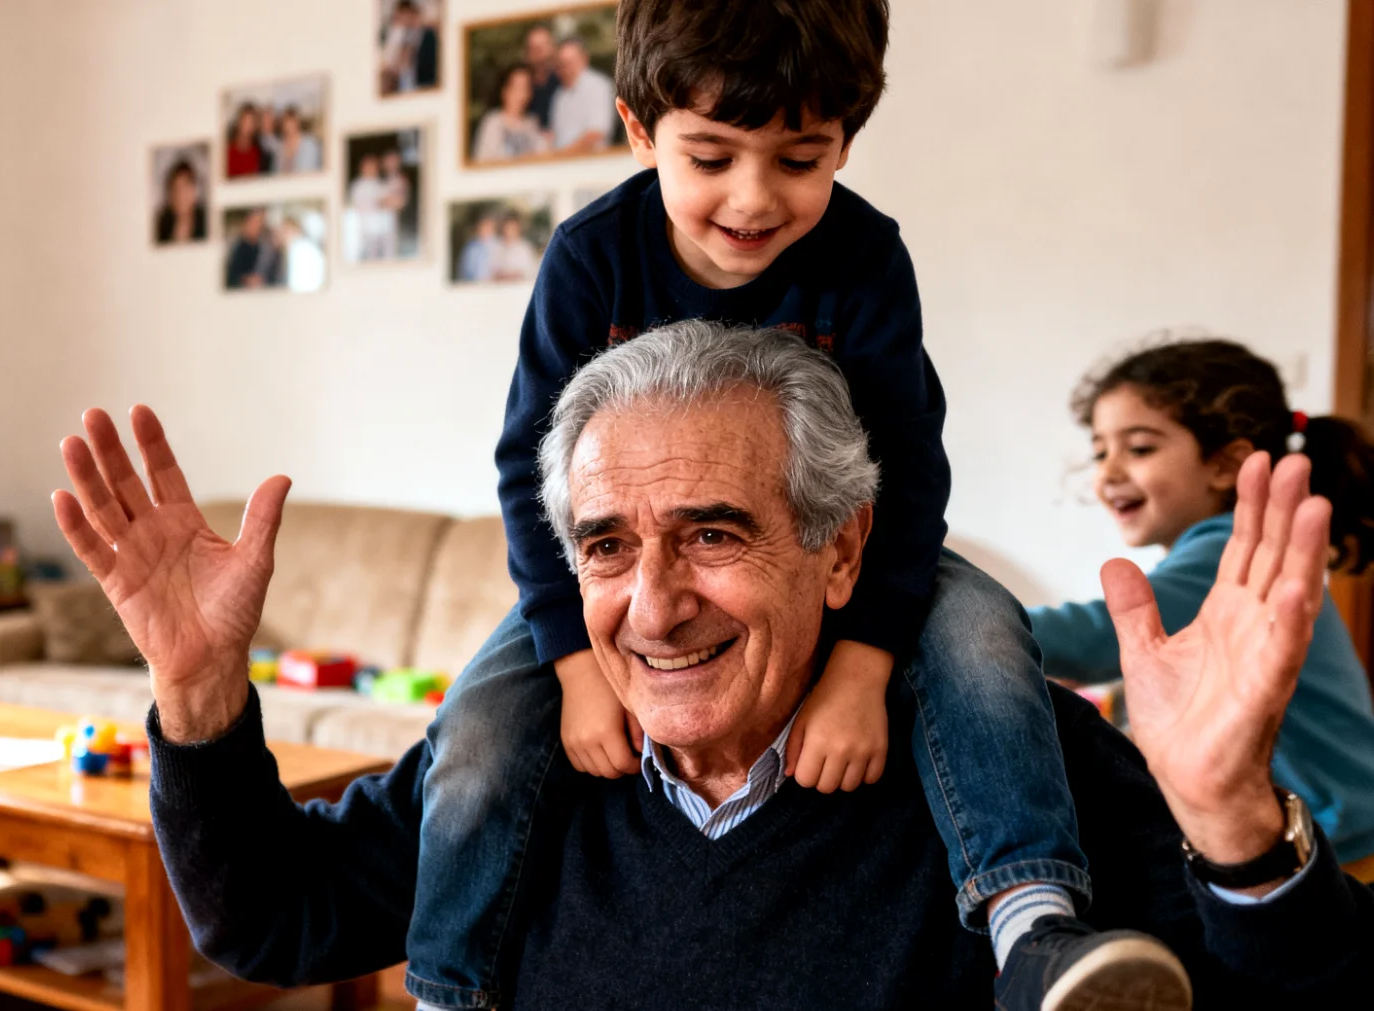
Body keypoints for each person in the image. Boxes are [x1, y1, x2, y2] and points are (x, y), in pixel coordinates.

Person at [50, 323, 1374, 1008]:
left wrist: (1239, 832)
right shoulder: (518, 758)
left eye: (716, 534)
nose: (654, 604)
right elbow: (271, 918)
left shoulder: (1007, 757)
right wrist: (200, 693)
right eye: (610, 544)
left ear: (844, 550)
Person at [423, 2, 1143, 1008]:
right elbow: (526, 468)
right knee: (479, 728)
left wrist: (864, 663)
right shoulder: (590, 258)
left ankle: (1031, 925)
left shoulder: (867, 258)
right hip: (603, 584)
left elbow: (910, 471)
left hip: (856, 534)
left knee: (988, 643)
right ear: (638, 129)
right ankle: (446, 986)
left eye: (800, 160)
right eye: (711, 159)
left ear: (847, 136)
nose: (755, 199)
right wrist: (578, 667)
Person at [1030, 339, 1374, 864]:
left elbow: (1087, 635)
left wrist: (961, 617)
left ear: (1225, 465)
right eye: (1101, 451)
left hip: (1334, 846)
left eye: (1139, 448)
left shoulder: (1225, 551)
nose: (1109, 472)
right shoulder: (1212, 551)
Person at [547, 36, 617, 152]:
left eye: (569, 63)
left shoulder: (598, 86)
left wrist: (564, 154)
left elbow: (597, 133)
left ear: (584, 59)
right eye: (561, 64)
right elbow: (555, 135)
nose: (565, 69)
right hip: (563, 164)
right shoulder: (559, 94)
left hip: (589, 163)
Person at [471, 64, 550, 163]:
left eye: (525, 88)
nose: (521, 94)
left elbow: (543, 157)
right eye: (516, 87)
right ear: (504, 91)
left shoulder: (532, 123)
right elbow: (483, 161)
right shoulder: (492, 122)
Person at [347, 152, 398, 261]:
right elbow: (359, 205)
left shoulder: (380, 184)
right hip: (365, 230)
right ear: (362, 168)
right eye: (369, 166)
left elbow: (390, 202)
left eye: (374, 166)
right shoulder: (358, 186)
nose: (372, 168)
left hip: (382, 230)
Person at [381, 0, 439, 94]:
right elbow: (387, 65)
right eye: (402, 17)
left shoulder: (428, 37)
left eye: (409, 16)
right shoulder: (394, 38)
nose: (406, 21)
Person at [153, 159, 206, 245]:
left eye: (185, 189)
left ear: (194, 191)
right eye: (175, 189)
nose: (180, 196)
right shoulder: (160, 226)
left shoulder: (206, 223)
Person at [523, 23, 559, 133]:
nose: (539, 54)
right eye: (533, 48)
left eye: (542, 47)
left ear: (553, 49)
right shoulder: (521, 86)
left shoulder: (565, 84)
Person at [224, 207, 272, 289]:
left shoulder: (265, 248)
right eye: (254, 222)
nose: (257, 226)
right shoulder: (236, 247)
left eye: (259, 222)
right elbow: (230, 276)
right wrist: (246, 280)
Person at [487, 213, 538, 282]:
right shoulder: (496, 247)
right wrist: (500, 274)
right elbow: (490, 270)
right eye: (507, 228)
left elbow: (532, 271)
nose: (510, 231)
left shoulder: (525, 248)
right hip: (499, 288)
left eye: (513, 228)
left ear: (518, 229)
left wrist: (517, 275)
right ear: (503, 229)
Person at [273, 107, 322, 175]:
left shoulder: (310, 144)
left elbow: (312, 172)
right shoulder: (279, 147)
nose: (288, 126)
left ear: (297, 122)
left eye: (291, 121)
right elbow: (276, 173)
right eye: (285, 122)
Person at [225, 104, 266, 178]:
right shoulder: (227, 151)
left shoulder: (258, 152)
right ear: (238, 122)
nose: (248, 126)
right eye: (245, 121)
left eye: (252, 122)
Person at [455, 214, 497, 283]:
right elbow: (462, 271)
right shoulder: (469, 248)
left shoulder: (498, 246)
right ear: (478, 227)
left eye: (488, 226)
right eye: (483, 226)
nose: (485, 229)